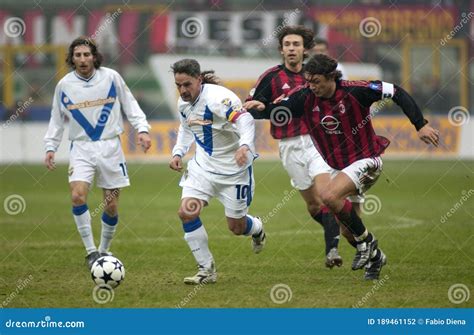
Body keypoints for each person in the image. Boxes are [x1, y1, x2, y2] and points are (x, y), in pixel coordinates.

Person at [254, 53, 440, 280]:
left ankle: (368, 243)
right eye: (308, 81)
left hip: (367, 160)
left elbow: (396, 91)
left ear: (331, 77)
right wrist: (255, 108)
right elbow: (274, 111)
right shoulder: (304, 97)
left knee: (328, 195)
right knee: (347, 232)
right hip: (339, 168)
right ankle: (375, 257)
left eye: (316, 82)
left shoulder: (357, 90)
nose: (311, 86)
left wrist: (420, 125)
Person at [243, 25, 349, 268]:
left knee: (326, 195)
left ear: (305, 50)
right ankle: (342, 228)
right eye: (287, 45)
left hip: (316, 142)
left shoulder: (315, 76)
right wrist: (273, 107)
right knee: (313, 205)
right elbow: (253, 109)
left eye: (296, 45)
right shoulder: (270, 77)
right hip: (288, 146)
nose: (292, 49)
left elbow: (336, 101)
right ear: (281, 50)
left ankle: (332, 251)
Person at [43, 37, 152, 269]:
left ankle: (104, 250)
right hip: (81, 147)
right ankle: (91, 251)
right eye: (78, 55)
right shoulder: (64, 85)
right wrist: (50, 146)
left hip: (110, 147)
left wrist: (142, 130)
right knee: (77, 196)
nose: (82, 59)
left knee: (111, 206)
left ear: (94, 56)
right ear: (72, 59)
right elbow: (56, 118)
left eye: (86, 54)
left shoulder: (111, 77)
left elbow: (130, 104)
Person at [169, 59, 265, 285]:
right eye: (178, 85)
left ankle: (257, 227)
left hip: (235, 172)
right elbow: (186, 128)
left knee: (236, 227)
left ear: (199, 80)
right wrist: (178, 153)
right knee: (186, 212)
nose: (183, 90)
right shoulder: (183, 104)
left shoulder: (219, 99)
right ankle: (206, 270)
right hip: (202, 169)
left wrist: (245, 146)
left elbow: (245, 120)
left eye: (187, 84)